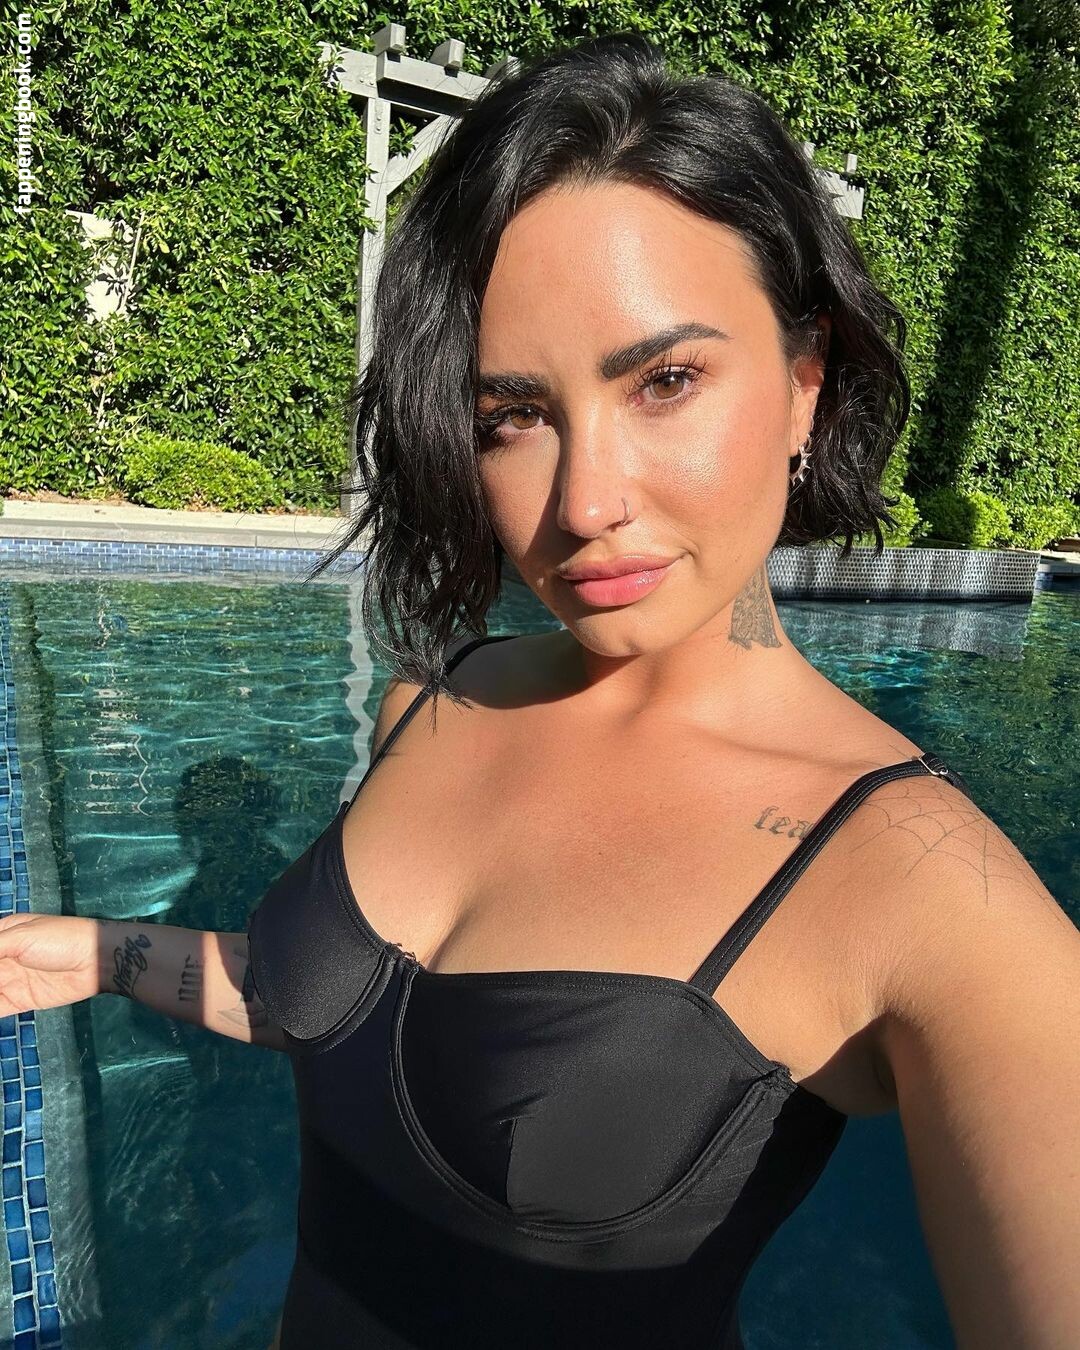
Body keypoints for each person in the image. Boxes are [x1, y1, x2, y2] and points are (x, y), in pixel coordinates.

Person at [3, 31, 1078, 1350]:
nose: (584, 502)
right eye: (512, 414)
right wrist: (87, 953)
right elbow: (329, 1017)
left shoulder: (923, 889)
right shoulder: (437, 700)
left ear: (808, 382)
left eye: (666, 381)